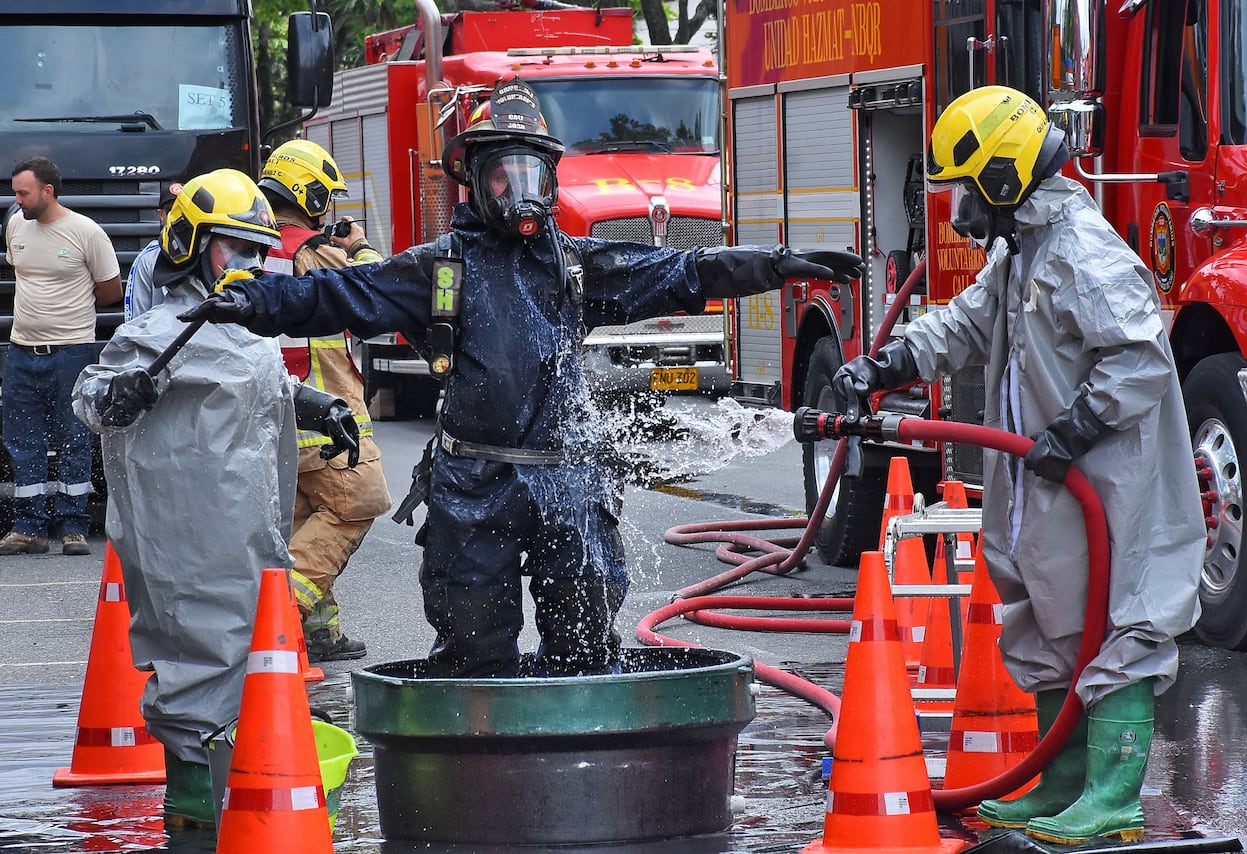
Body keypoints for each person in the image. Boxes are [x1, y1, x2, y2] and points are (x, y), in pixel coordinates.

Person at [182, 76, 865, 679]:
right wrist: (254, 299)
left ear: (550, 177)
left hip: (567, 482)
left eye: (530, 173)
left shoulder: (577, 263)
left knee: (586, 650)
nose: (519, 192)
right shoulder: (439, 268)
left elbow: (684, 272)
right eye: (503, 176)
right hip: (472, 487)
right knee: (474, 652)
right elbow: (337, 295)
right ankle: (478, 794)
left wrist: (778, 264)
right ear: (475, 182)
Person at [834, 85, 1203, 844]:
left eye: (968, 190)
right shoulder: (1025, 251)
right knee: (1053, 625)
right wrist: (889, 361)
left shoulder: (1081, 252)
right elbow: (968, 323)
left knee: (1120, 626)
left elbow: (1137, 358)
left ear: (1003, 178)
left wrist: (1073, 432)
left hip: (1109, 486)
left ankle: (1113, 798)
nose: (961, 209)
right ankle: (1062, 782)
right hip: (1055, 484)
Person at [70, 169, 360, 826]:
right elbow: (94, 393)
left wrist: (317, 405)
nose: (250, 265)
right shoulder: (159, 331)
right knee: (201, 661)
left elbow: (261, 390)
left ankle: (243, 796)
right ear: (191, 247)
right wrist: (116, 396)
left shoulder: (243, 330)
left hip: (248, 534)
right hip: (189, 535)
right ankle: (201, 811)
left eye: (259, 251)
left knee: (247, 665)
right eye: (235, 249)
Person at [257, 138, 393, 662]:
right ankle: (281, 616)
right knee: (360, 503)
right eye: (324, 194)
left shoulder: (255, 243)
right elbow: (380, 292)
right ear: (305, 191)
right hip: (327, 418)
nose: (329, 205)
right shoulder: (313, 250)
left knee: (301, 520)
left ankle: (319, 634)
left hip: (275, 416)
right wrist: (359, 246)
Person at [1, 156, 121, 557]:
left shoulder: (86, 232)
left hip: (72, 351)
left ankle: (73, 527)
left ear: (48, 191)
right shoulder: (16, 224)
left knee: (74, 440)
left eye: (23, 192)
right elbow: (22, 272)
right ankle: (29, 528)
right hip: (21, 354)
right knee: (23, 442)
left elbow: (110, 291)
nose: (16, 200)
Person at [123, 181, 181, 322]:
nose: (177, 217)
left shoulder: (207, 253)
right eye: (171, 211)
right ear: (161, 215)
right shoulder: (148, 258)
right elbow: (135, 320)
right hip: (162, 343)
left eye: (183, 210)